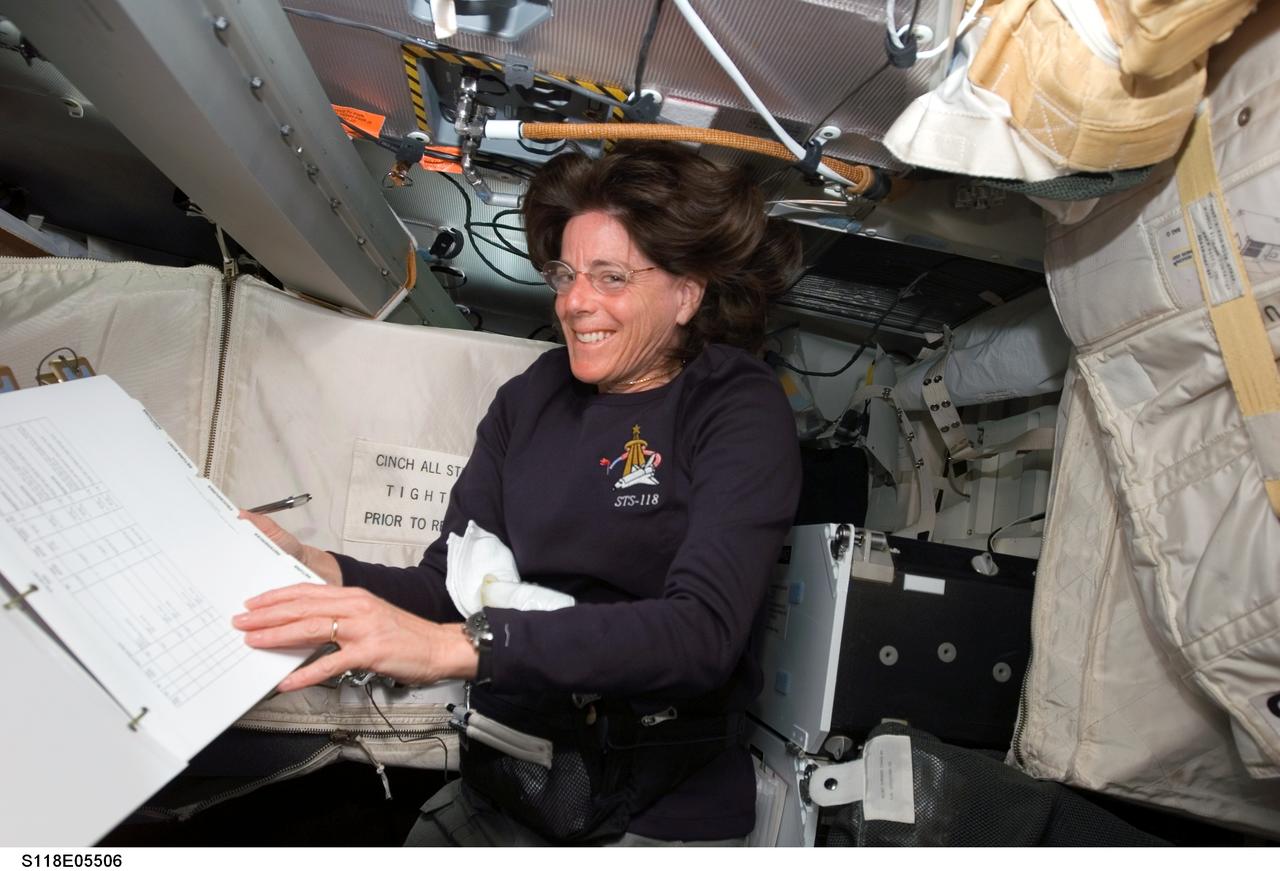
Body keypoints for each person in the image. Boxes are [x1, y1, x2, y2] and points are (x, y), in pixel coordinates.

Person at [233, 141, 803, 846]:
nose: (574, 302)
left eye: (611, 277)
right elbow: (448, 587)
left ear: (687, 294)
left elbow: (701, 634)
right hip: (517, 780)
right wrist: (320, 568)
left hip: (656, 816)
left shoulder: (735, 403)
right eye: (565, 274)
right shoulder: (528, 399)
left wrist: (461, 646)